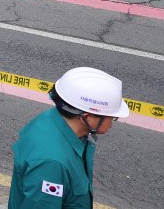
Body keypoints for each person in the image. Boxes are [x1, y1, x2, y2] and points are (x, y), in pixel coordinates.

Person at [8, 67, 129, 209]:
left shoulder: (50, 119)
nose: (113, 122)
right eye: (113, 117)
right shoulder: (52, 164)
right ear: (87, 118)